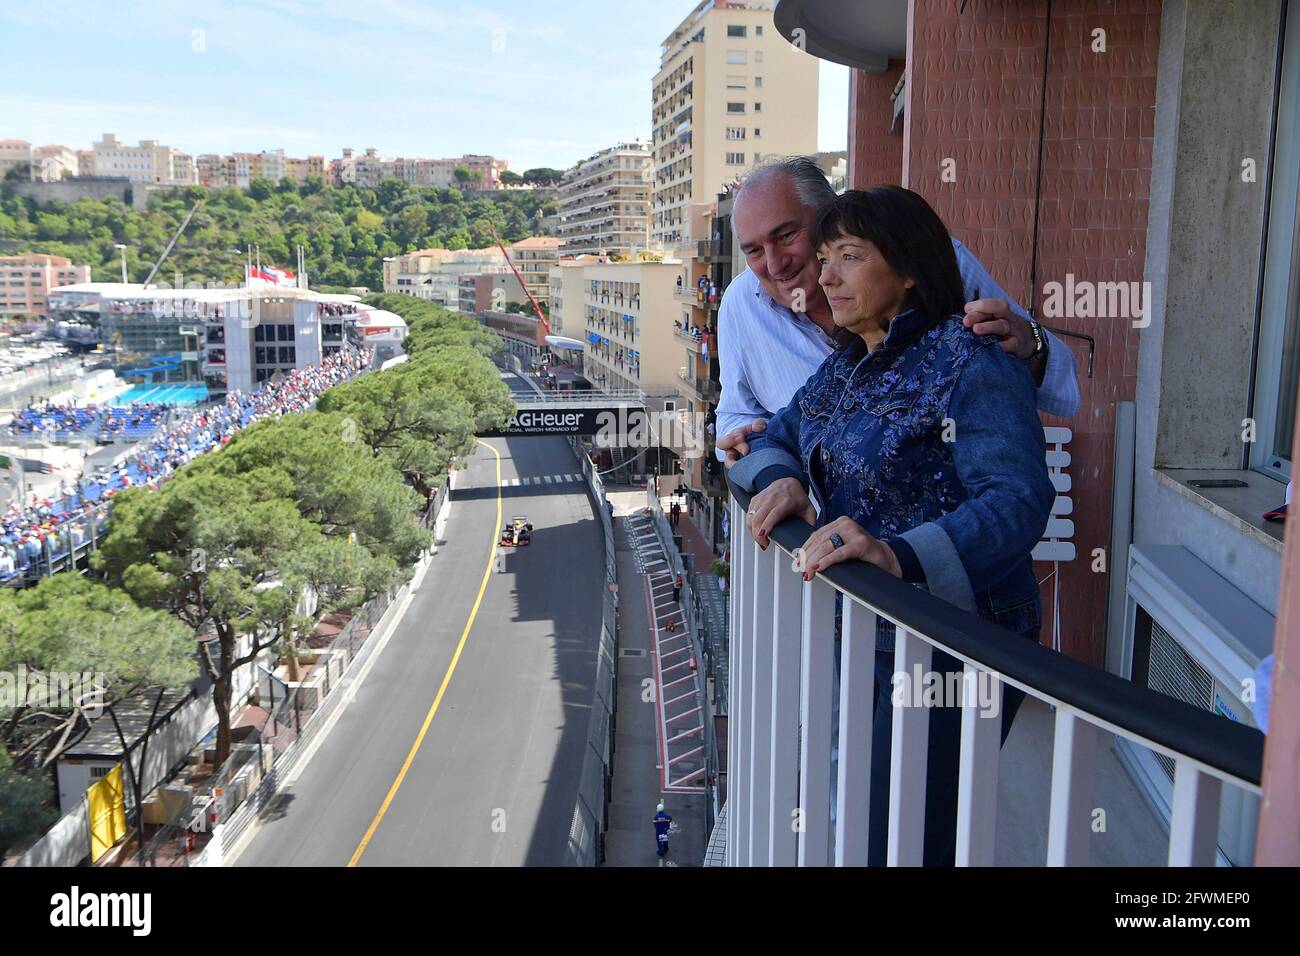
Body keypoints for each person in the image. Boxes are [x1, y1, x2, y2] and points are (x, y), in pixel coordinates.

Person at [731, 186, 1056, 866]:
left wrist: (900, 554)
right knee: (876, 819)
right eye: (823, 259)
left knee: (903, 834)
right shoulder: (849, 363)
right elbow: (773, 436)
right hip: (876, 632)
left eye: (848, 256)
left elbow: (1019, 499)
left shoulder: (973, 362)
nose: (824, 278)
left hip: (958, 641)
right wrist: (779, 478)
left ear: (909, 268)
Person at [714, 157, 1079, 467]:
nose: (775, 264)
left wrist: (1029, 343)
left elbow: (1061, 395)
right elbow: (741, 416)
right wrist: (768, 468)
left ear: (829, 217)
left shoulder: (936, 269)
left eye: (786, 236)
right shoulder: (744, 307)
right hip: (820, 543)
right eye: (755, 251)